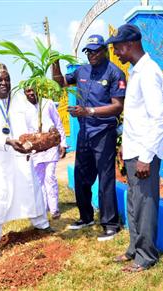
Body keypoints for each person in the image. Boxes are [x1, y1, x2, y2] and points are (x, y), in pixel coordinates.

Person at [106, 24, 163, 272]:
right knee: (133, 202)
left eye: (117, 48)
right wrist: (126, 147)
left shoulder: (150, 72)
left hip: (145, 153)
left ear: (130, 44)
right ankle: (134, 248)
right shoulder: (136, 72)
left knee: (145, 204)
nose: (116, 53)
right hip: (134, 150)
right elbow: (136, 116)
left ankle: (146, 256)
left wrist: (144, 157)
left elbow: (158, 119)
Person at [0, 63, 52, 257]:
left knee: (31, 188)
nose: (4, 83)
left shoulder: (18, 100)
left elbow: (33, 119)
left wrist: (45, 131)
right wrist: (6, 141)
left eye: (7, 79)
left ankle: (41, 224)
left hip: (19, 155)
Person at [52, 34, 126, 241]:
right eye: (89, 51)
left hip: (104, 131)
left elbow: (118, 106)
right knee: (81, 176)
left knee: (105, 179)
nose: (92, 54)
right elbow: (60, 83)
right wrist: (54, 63)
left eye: (96, 50)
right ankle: (86, 217)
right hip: (85, 132)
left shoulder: (115, 73)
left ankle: (110, 224)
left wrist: (89, 111)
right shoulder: (82, 70)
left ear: (105, 50)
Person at [24, 87, 67, 219]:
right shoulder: (24, 109)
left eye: (33, 90)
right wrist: (25, 149)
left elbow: (58, 123)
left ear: (38, 90)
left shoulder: (47, 103)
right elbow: (25, 131)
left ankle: (54, 209)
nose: (31, 93)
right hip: (36, 149)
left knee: (50, 177)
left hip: (50, 146)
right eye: (28, 91)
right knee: (39, 179)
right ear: (25, 93)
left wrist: (63, 143)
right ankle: (43, 207)